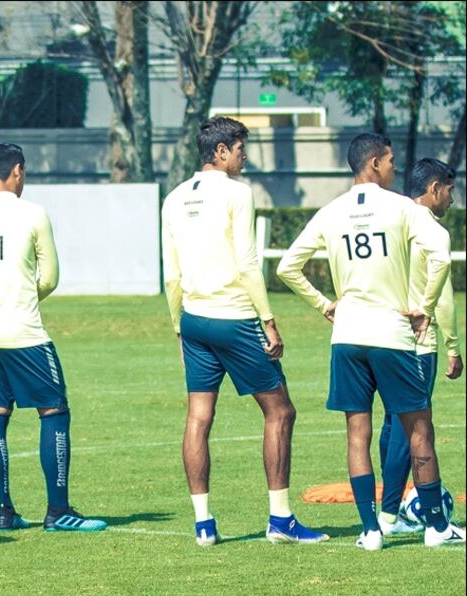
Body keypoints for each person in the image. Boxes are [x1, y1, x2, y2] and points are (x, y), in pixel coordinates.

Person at [277, 132, 461, 549]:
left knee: (356, 433)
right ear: (375, 163)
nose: (396, 168)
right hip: (392, 335)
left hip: (347, 338)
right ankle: (435, 526)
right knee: (419, 429)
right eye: (392, 161)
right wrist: (425, 307)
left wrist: (325, 305)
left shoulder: (331, 211)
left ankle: (370, 530)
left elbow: (288, 267)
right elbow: (442, 252)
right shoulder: (400, 207)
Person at [161, 118, 327, 547]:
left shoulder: (174, 198)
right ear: (219, 152)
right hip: (235, 318)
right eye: (239, 148)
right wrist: (269, 320)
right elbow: (247, 263)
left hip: (195, 320)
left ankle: (203, 525)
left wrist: (179, 328)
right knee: (281, 411)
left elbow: (172, 275)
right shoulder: (237, 193)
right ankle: (281, 519)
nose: (244, 156)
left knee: (199, 417)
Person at [0, 143, 106, 534]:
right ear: (17, 171)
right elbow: (50, 278)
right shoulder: (33, 213)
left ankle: (4, 513)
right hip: (22, 328)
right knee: (54, 410)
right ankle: (58, 511)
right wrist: (21, 294)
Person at [372, 159, 461, 534]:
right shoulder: (428, 228)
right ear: (435, 188)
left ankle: (389, 513)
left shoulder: (392, 220)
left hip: (383, 336)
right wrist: (453, 344)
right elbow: (441, 296)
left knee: (393, 423)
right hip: (418, 342)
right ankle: (395, 518)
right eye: (450, 192)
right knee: (416, 428)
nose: (452, 201)